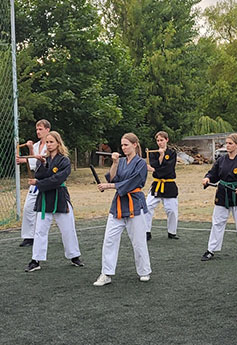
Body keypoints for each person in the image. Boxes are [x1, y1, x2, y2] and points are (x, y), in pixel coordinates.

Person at [94, 133, 151, 286]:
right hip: (118, 204)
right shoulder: (121, 162)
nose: (123, 148)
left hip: (134, 204)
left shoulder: (141, 163)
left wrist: (110, 186)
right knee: (109, 239)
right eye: (122, 145)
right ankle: (106, 273)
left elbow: (134, 181)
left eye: (126, 145)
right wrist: (114, 163)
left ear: (135, 145)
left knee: (138, 241)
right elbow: (112, 177)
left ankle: (144, 271)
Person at [25, 131, 82, 272]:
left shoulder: (64, 161)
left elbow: (58, 179)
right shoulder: (43, 160)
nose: (49, 145)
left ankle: (74, 256)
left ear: (58, 143)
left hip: (60, 197)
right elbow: (39, 174)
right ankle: (36, 260)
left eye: (52, 142)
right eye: (47, 142)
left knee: (68, 228)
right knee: (40, 230)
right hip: (45, 198)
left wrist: (39, 183)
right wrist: (43, 164)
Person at [201, 133, 237, 261]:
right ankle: (211, 250)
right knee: (217, 222)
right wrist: (207, 178)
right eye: (227, 143)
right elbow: (213, 173)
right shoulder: (221, 160)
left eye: (230, 143)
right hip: (222, 194)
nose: (227, 145)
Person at [18, 119, 51, 247]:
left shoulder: (51, 145)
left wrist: (30, 153)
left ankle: (66, 232)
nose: (38, 132)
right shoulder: (37, 145)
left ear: (47, 130)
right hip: (36, 182)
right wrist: (23, 158)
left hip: (48, 180)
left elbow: (43, 161)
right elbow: (32, 164)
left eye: (40, 129)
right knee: (28, 208)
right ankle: (29, 237)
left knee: (55, 212)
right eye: (37, 129)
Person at [143, 130, 180, 241]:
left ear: (166, 140)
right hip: (157, 184)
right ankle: (146, 231)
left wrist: (155, 169)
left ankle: (172, 232)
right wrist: (160, 157)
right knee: (148, 206)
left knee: (171, 210)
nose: (159, 142)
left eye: (161, 140)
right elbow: (154, 165)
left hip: (169, 184)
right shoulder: (153, 153)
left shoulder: (172, 153)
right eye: (158, 140)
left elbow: (168, 168)